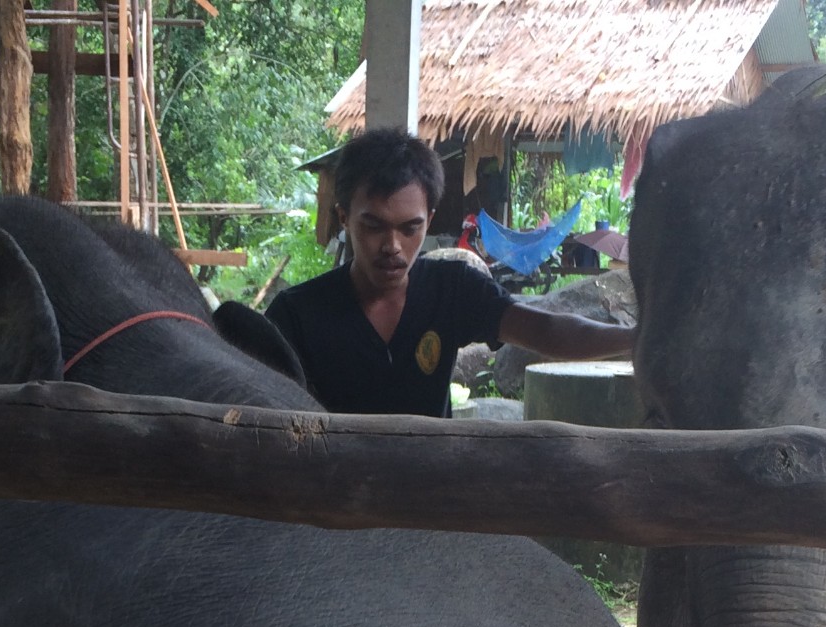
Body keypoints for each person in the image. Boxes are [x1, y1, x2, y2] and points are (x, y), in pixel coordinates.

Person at [267, 129, 632, 417]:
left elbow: (545, 330)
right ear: (343, 216)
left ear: (430, 218)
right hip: (328, 503)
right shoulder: (296, 316)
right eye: (374, 226)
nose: (393, 245)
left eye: (410, 228)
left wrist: (637, 339)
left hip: (429, 498)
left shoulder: (452, 290)